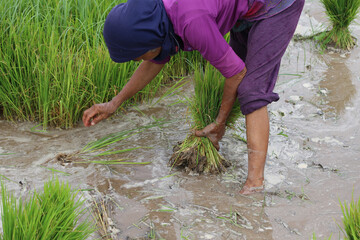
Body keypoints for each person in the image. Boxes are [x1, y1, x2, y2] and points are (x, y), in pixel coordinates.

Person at [82, 0, 305, 194]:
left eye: (137, 55)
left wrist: (220, 122)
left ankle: (255, 183)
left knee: (251, 91)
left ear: (148, 40)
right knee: (229, 80)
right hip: (245, 9)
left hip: (277, 4)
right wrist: (113, 104)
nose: (136, 60)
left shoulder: (190, 21)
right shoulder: (159, 18)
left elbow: (236, 73)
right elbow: (153, 61)